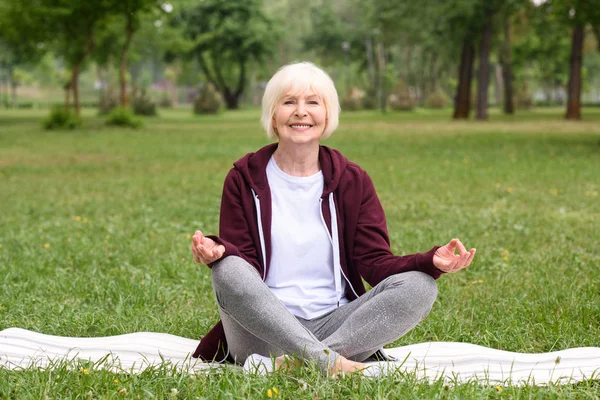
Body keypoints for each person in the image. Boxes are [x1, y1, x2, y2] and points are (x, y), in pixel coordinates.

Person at [190, 62, 476, 377]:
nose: (301, 112)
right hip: (264, 331)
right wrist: (221, 252)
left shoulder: (353, 180)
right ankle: (328, 364)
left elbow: (374, 262)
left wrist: (430, 260)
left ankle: (303, 364)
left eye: (313, 102)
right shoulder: (243, 179)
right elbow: (245, 268)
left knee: (421, 286)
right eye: (289, 102)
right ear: (273, 114)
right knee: (228, 270)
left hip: (336, 324)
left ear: (327, 115)